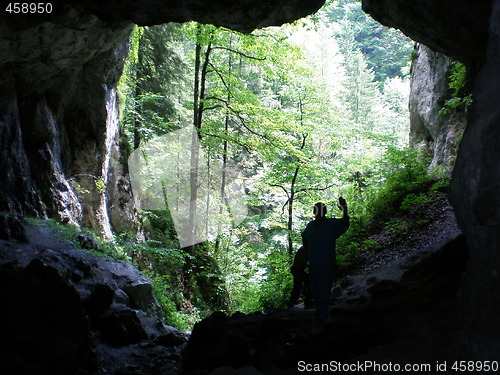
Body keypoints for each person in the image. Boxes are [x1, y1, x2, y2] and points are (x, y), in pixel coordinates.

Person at [301, 198, 349, 333]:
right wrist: (307, 253)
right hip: (314, 263)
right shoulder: (311, 226)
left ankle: (318, 322)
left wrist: (345, 209)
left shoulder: (331, 224)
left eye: (320, 209)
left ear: (325, 211)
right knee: (316, 291)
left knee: (324, 289)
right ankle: (325, 314)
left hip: (326, 262)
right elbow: (304, 238)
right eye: (317, 209)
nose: (318, 212)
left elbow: (345, 223)